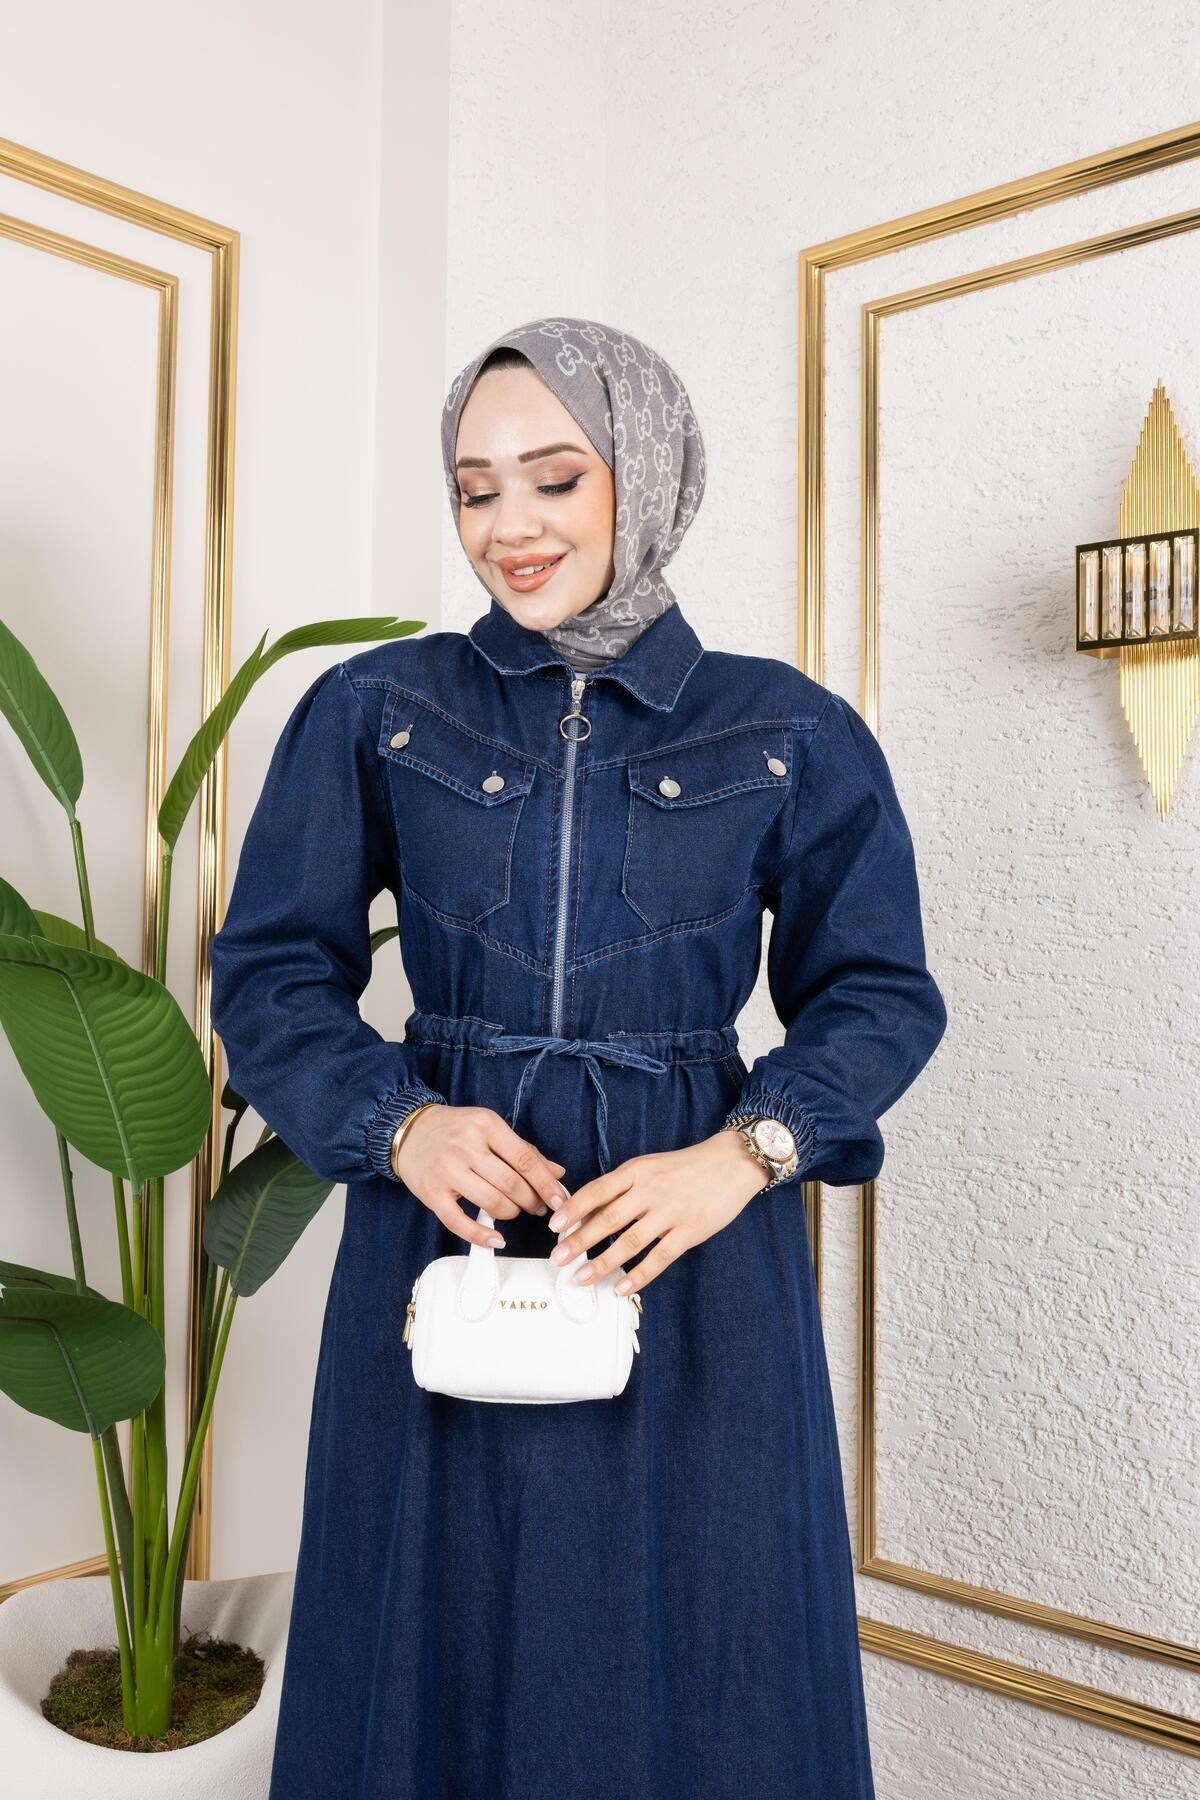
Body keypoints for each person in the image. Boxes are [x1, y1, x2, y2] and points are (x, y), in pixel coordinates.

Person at [208, 315, 948, 1800]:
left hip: (689, 1257)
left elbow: (878, 994)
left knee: (705, 1633)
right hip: (448, 1228)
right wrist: (397, 1121)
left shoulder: (788, 729)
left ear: (645, 476)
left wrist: (744, 1156)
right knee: (433, 1620)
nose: (511, 526)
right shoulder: (377, 708)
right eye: (475, 488)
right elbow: (271, 970)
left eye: (554, 478)